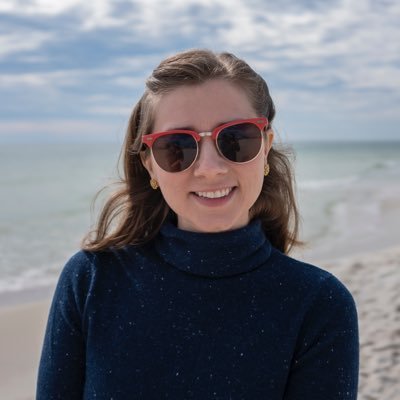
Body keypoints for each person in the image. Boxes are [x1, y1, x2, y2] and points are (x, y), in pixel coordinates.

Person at [36, 49, 359, 399]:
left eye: (236, 139)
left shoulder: (320, 305)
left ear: (266, 146)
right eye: (176, 146)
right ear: (149, 163)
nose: (210, 168)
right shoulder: (91, 280)